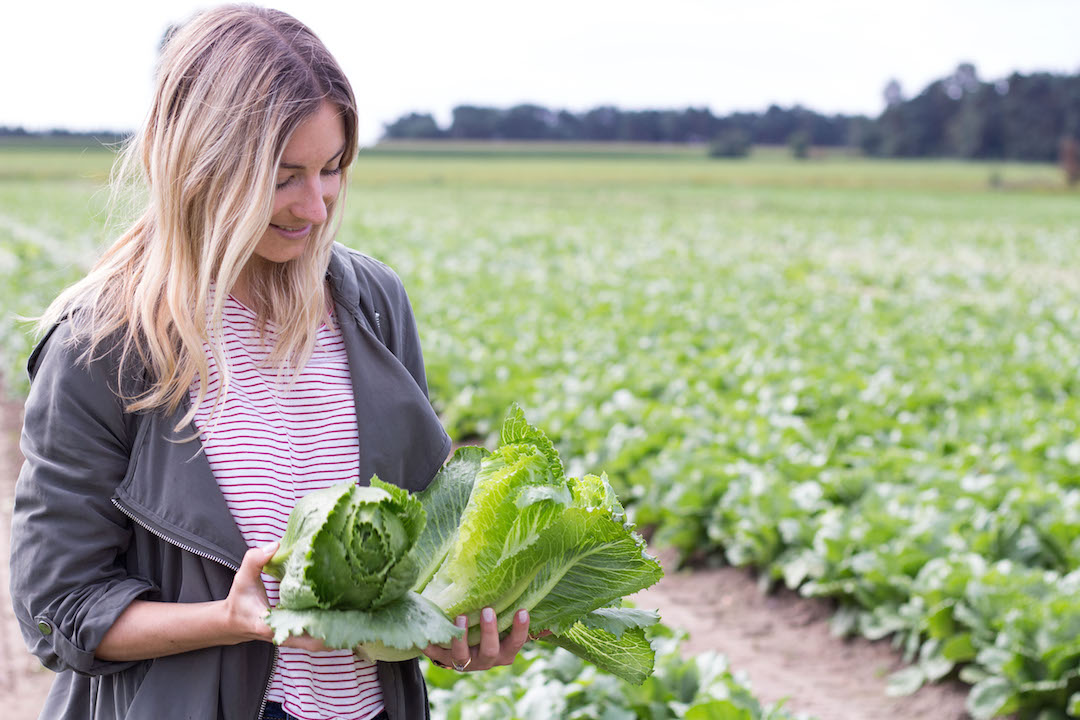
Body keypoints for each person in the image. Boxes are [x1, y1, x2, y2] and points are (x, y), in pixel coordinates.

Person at [9, 6, 531, 719]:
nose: (314, 207)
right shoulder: (104, 342)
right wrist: (230, 618)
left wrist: (449, 624)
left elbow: (411, 549)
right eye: (283, 176)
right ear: (203, 163)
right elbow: (58, 608)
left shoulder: (373, 303)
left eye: (332, 169)